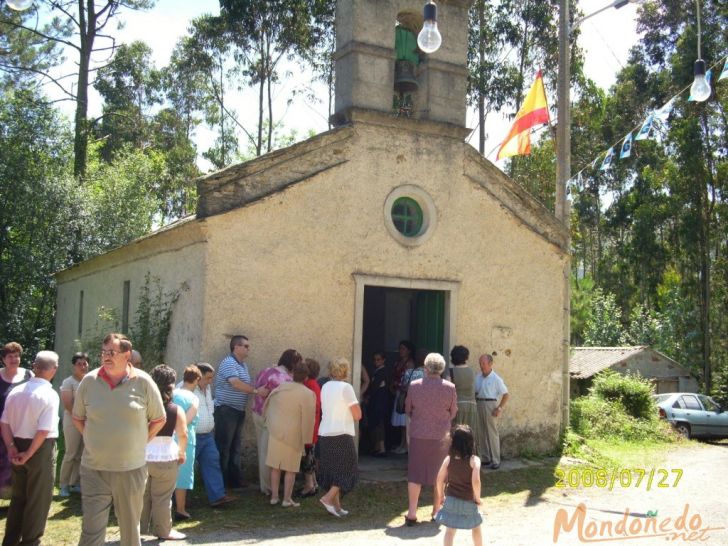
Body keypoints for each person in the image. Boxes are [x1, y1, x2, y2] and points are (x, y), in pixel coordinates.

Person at [73, 333, 166, 546]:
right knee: (91, 530)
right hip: (94, 469)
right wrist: (90, 438)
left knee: (130, 530)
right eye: (103, 352)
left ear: (127, 355)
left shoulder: (143, 381)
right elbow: (78, 418)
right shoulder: (89, 381)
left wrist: (141, 441)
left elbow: (159, 419)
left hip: (130, 469)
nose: (106, 357)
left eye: (111, 352)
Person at [0, 350, 60, 546]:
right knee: (38, 500)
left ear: (34, 366)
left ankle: (9, 541)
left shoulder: (15, 391)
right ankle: (30, 542)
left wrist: (11, 447)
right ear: (54, 369)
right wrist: (29, 453)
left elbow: (4, 424)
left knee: (18, 498)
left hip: (16, 443)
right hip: (38, 449)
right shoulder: (49, 394)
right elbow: (43, 431)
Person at [404, 352, 457, 526]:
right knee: (440, 475)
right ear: (441, 368)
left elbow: (408, 409)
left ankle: (412, 512)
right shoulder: (450, 387)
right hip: (441, 436)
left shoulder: (414, 385)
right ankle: (436, 510)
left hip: (419, 434)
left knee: (415, 473)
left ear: (426, 368)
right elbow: (453, 411)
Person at [214, 335, 268, 489]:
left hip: (237, 410)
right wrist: (257, 391)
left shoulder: (242, 365)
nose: (248, 349)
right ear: (235, 347)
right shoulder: (228, 363)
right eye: (245, 346)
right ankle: (220, 483)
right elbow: (235, 383)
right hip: (226, 410)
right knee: (224, 447)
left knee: (235, 446)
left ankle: (234, 480)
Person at [141, 365, 187, 541]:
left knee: (141, 495)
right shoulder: (175, 409)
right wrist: (182, 452)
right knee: (162, 497)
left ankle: (139, 527)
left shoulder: (143, 405)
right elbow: (183, 434)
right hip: (167, 455)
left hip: (143, 454)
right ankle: (163, 530)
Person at [263, 360, 316, 507]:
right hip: (294, 434)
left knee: (275, 467)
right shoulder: (308, 394)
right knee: (291, 469)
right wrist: (306, 439)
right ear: (306, 377)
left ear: (292, 374)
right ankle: (286, 499)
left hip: (276, 431)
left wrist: (270, 424)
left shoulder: (281, 388)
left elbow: (268, 405)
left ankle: (274, 497)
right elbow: (308, 418)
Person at [317, 358, 362, 517]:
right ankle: (328, 499)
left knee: (334, 470)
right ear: (345, 371)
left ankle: (336, 506)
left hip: (325, 433)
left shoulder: (325, 386)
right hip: (341, 433)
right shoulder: (346, 387)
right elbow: (357, 414)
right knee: (348, 468)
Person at [190, 363, 235, 507]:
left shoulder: (207, 388)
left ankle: (217, 496)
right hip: (192, 435)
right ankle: (178, 500)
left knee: (212, 463)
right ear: (198, 376)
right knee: (185, 468)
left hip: (207, 435)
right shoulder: (185, 388)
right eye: (208, 378)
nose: (211, 381)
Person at [252, 349, 296, 495]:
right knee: (269, 454)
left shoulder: (266, 370)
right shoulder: (285, 379)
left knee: (262, 451)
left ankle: (265, 486)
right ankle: (270, 488)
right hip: (270, 417)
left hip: (256, 412)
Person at [433, 425, 483, 546]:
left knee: (450, 531)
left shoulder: (449, 459)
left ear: (453, 442)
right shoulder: (474, 460)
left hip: (450, 500)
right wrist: (477, 498)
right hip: (468, 501)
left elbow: (439, 479)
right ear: (471, 442)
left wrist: (441, 496)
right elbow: (476, 481)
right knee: (476, 527)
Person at [0, 342, 33, 498]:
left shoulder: (29, 376)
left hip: (22, 427)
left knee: (19, 463)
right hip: (1, 428)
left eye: (17, 356)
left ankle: (17, 496)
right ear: (3, 359)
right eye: (10, 356)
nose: (14, 359)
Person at [58, 351, 89, 497]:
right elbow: (68, 404)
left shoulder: (90, 380)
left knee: (81, 454)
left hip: (88, 422)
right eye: (79, 364)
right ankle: (63, 485)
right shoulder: (68, 382)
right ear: (74, 366)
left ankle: (75, 483)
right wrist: (79, 419)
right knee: (71, 453)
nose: (83, 366)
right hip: (72, 421)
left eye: (85, 363)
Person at [172, 365, 200, 520]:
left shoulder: (172, 393)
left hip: (167, 436)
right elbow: (187, 420)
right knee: (182, 475)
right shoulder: (193, 398)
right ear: (196, 380)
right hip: (184, 438)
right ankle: (181, 509)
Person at [475, 354, 509, 470]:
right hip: (479, 404)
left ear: (490, 364)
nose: (481, 366)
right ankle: (485, 458)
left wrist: (499, 408)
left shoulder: (496, 379)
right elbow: (475, 391)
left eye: (483, 363)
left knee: (492, 433)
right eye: (480, 363)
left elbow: (506, 394)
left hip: (491, 405)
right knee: (481, 432)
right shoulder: (478, 377)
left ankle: (496, 460)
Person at [449, 346, 480, 459]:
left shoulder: (451, 371)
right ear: (466, 357)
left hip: (458, 406)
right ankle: (472, 459)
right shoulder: (472, 371)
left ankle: (456, 459)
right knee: (470, 434)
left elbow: (449, 392)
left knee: (457, 434)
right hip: (472, 406)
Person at [300, 358, 322, 497]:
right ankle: (313, 483)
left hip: (308, 427)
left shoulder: (308, 385)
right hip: (313, 426)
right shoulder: (314, 384)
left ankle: (309, 485)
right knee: (310, 455)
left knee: (307, 456)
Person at [391, 340, 416, 454]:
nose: (401, 351)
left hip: (405, 393)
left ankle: (406, 445)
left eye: (403, 349)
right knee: (400, 421)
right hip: (398, 393)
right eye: (400, 348)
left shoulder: (409, 363)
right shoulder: (398, 362)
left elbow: (408, 381)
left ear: (409, 351)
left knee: (404, 420)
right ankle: (401, 444)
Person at [365, 352, 389, 457]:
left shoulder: (383, 371)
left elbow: (375, 386)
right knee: (375, 424)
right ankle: (377, 447)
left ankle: (382, 448)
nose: (376, 362)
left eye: (378, 359)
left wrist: (368, 396)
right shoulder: (377, 371)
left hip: (380, 402)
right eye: (374, 360)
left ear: (383, 360)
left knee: (379, 424)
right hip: (376, 402)